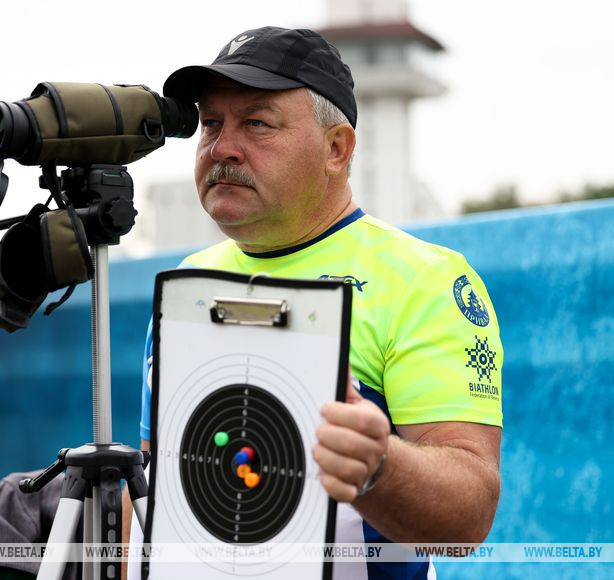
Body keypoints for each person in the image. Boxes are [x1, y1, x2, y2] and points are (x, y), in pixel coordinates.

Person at [123, 26, 503, 579]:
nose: (223, 147)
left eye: (256, 122)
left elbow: (467, 519)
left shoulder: (426, 279)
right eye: (210, 123)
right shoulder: (187, 280)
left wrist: (380, 466)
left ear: (336, 148)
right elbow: (161, 483)